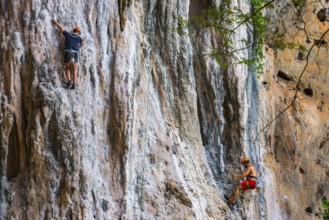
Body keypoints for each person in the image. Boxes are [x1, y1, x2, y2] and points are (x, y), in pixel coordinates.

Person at [52, 18, 85, 89]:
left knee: (67, 68)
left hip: (67, 53)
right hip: (75, 54)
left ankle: (69, 81)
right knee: (75, 70)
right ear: (78, 33)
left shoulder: (67, 34)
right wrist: (84, 40)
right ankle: (74, 84)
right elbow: (82, 44)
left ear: (73, 31)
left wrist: (55, 22)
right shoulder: (79, 38)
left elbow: (60, 28)